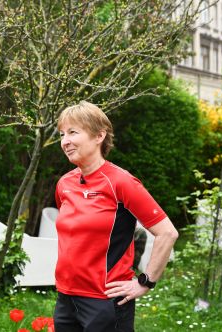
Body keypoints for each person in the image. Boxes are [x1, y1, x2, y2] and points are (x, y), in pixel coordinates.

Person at [53, 101, 178, 331]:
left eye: (72, 132)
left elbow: (167, 233)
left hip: (105, 301)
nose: (65, 141)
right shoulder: (64, 184)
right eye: (62, 134)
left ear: (99, 135)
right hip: (66, 298)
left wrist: (145, 282)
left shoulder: (121, 182)